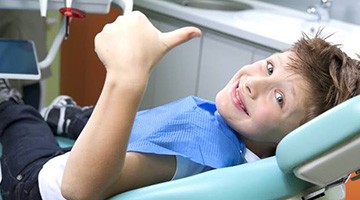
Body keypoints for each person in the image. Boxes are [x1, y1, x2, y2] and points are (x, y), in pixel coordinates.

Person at [0, 11, 359, 200]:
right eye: (269, 66)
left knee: (23, 120)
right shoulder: (242, 152)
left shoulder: (194, 154)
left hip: (38, 183)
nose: (254, 82)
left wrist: (127, 77)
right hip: (98, 151)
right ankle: (73, 117)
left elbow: (78, 189)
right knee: (134, 118)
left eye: (279, 98)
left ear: (288, 140)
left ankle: (12, 102)